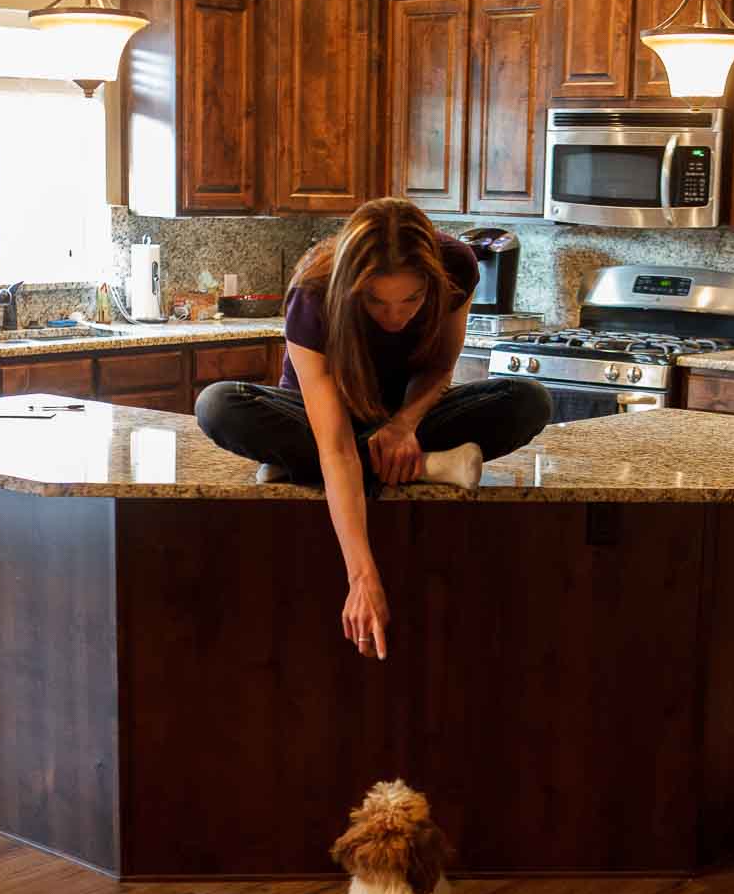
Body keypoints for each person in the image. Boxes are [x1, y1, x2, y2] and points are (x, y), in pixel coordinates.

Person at [195, 197, 552, 662]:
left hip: (407, 419)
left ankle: (295, 465)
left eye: (412, 299)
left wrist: (405, 425)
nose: (395, 316)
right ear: (352, 290)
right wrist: (362, 577)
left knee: (528, 401)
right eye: (375, 302)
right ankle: (429, 467)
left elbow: (441, 367)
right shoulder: (312, 293)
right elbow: (338, 447)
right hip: (319, 422)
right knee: (219, 405)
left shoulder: (457, 266)